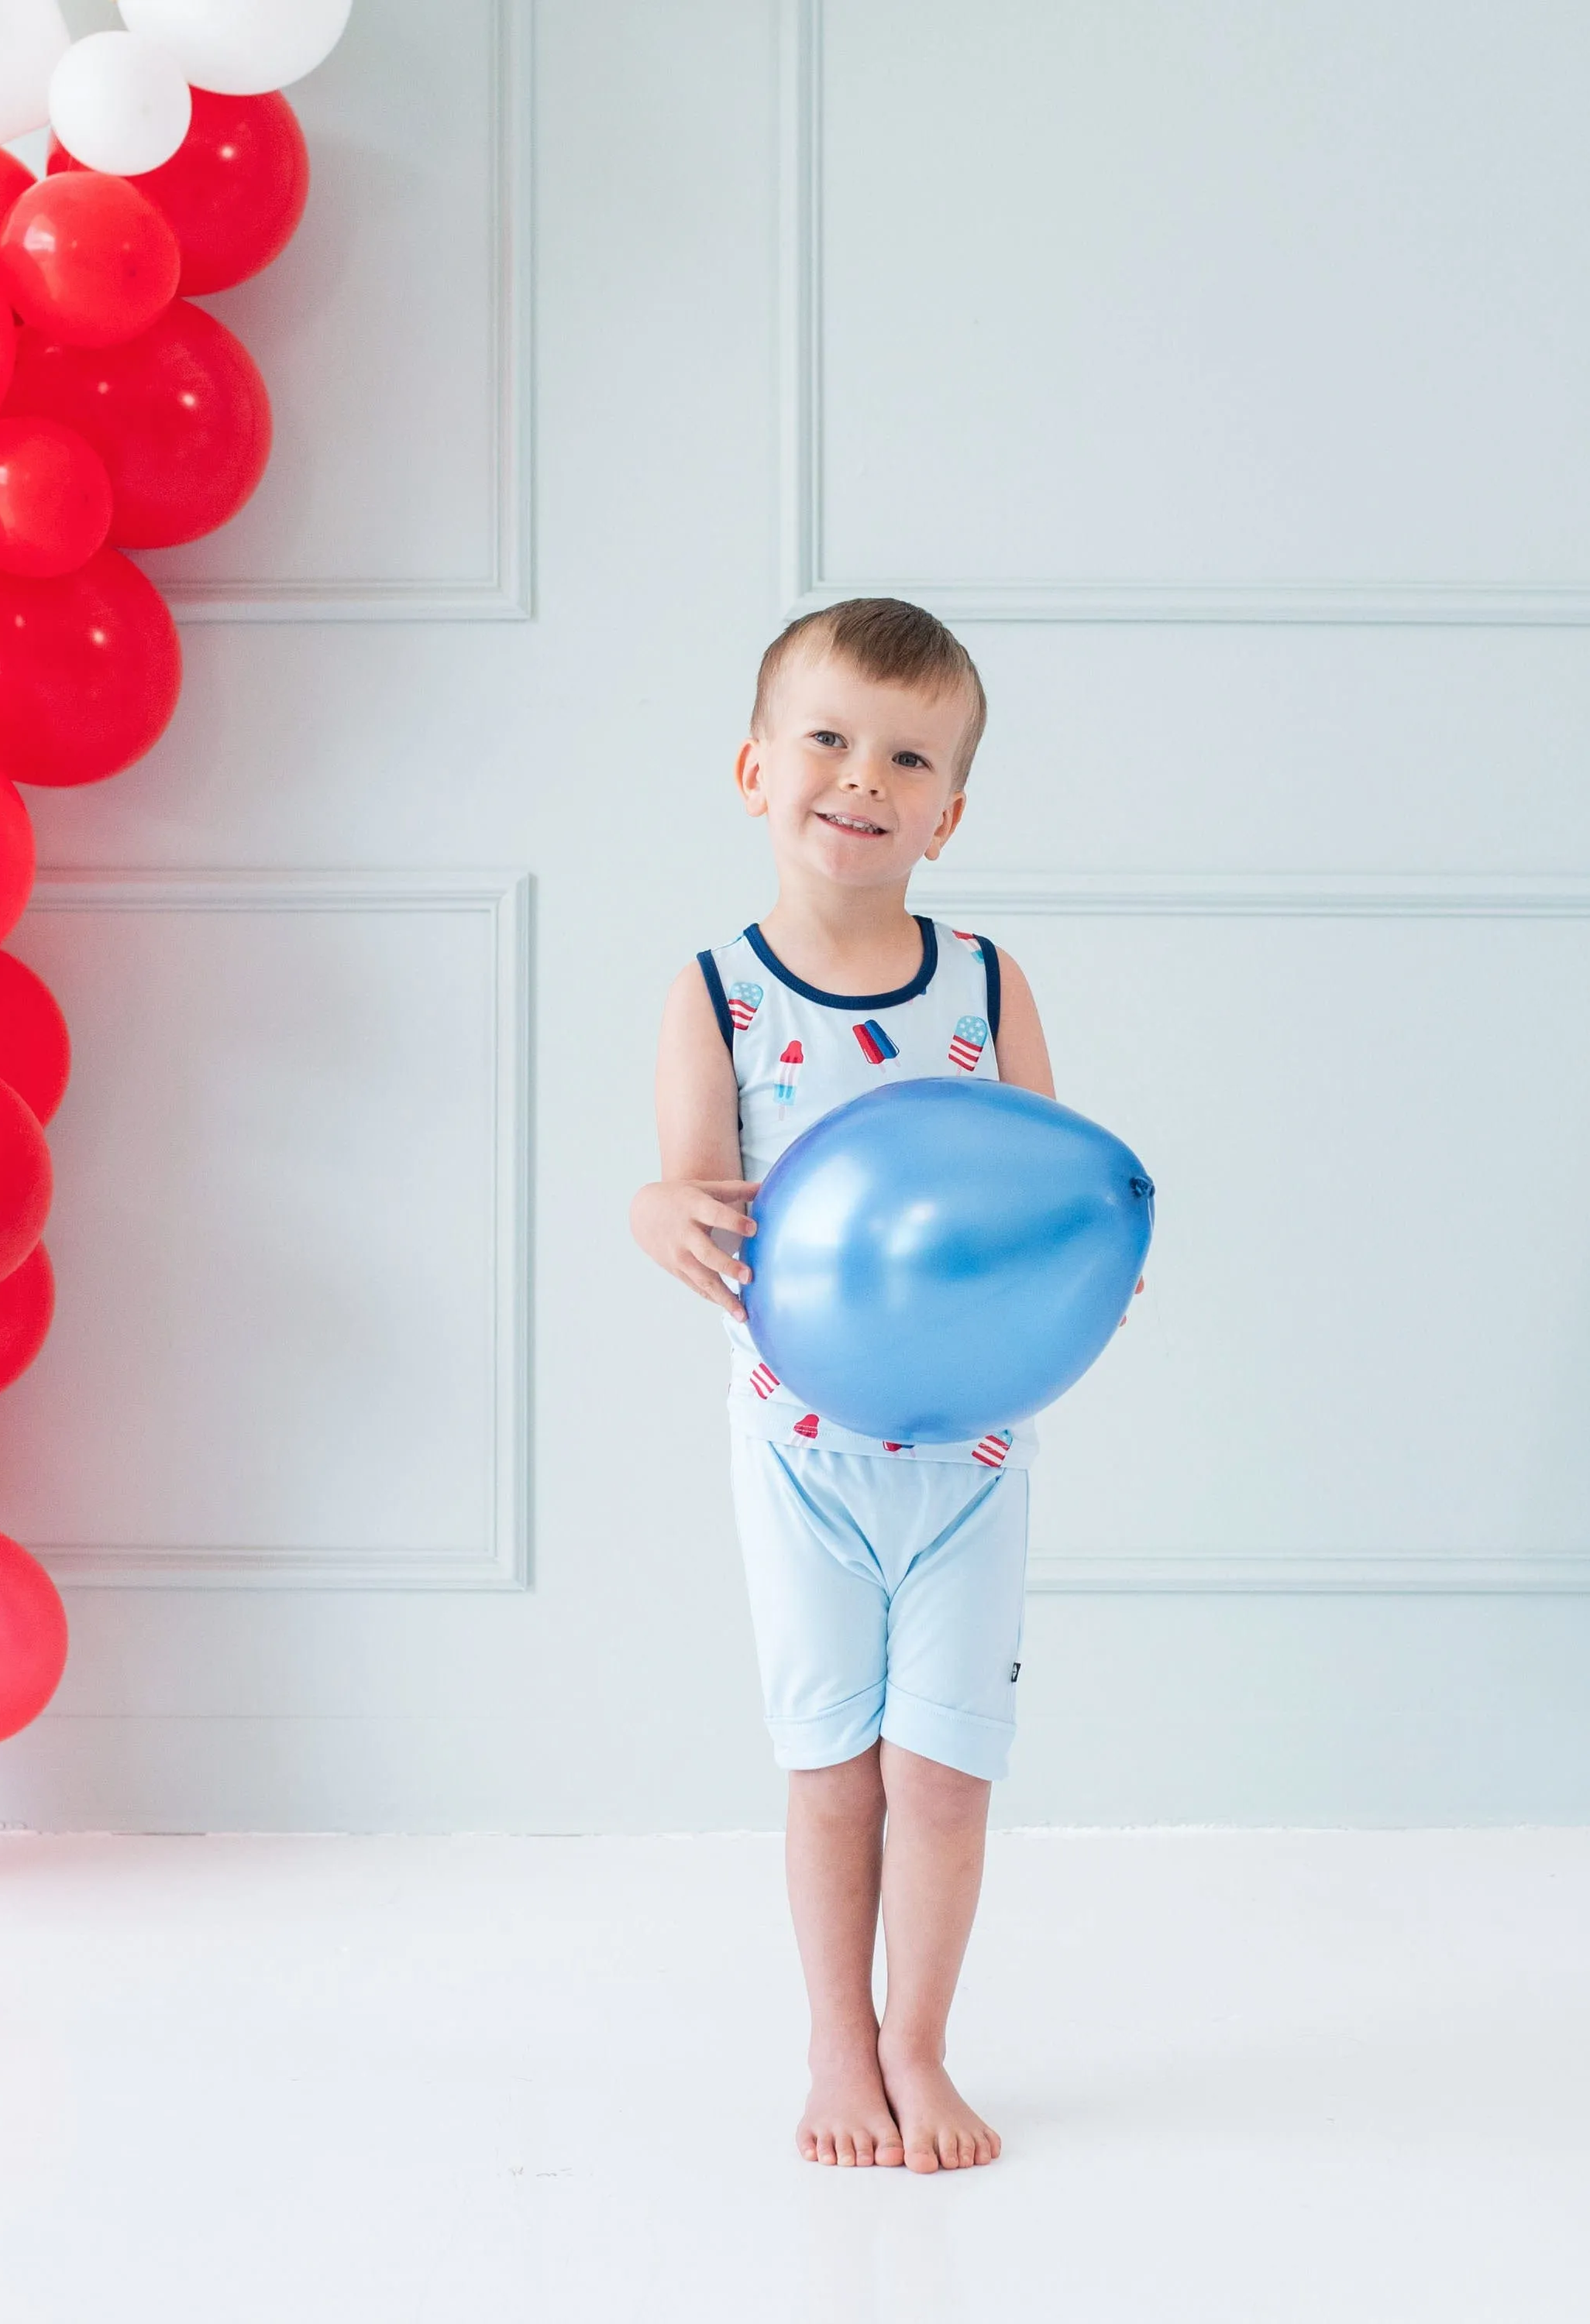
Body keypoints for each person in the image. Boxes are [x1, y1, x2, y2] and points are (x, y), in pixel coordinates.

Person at [631, 598, 1051, 2172]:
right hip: (803, 1452)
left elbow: (1042, 1183)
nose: (862, 777)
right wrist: (651, 1209)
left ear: (949, 811)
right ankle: (834, 2043)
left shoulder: (985, 984)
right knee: (830, 1774)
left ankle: (920, 2045)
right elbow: (690, 1193)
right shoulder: (720, 990)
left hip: (973, 1456)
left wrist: (1087, 1261)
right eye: (827, 738)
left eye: (908, 755)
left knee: (940, 1777)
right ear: (754, 770)